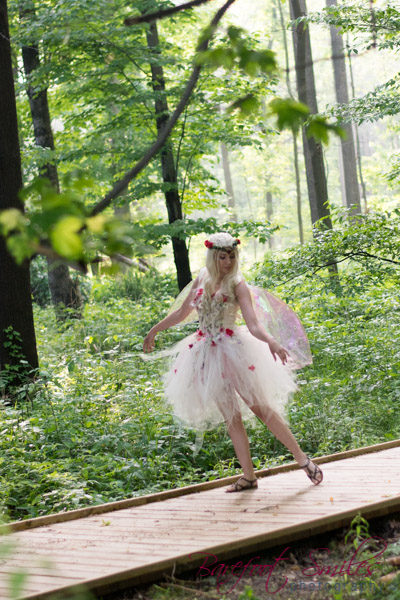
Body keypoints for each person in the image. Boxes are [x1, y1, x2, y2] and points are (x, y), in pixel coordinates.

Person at [143, 232, 323, 492]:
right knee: (232, 417)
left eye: (231, 257)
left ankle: (303, 460)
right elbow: (183, 312)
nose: (228, 262)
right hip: (206, 353)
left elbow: (253, 324)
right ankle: (249, 477)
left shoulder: (238, 285)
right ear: (212, 257)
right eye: (222, 257)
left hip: (233, 351)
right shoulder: (201, 279)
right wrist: (154, 330)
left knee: (262, 408)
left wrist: (271, 341)